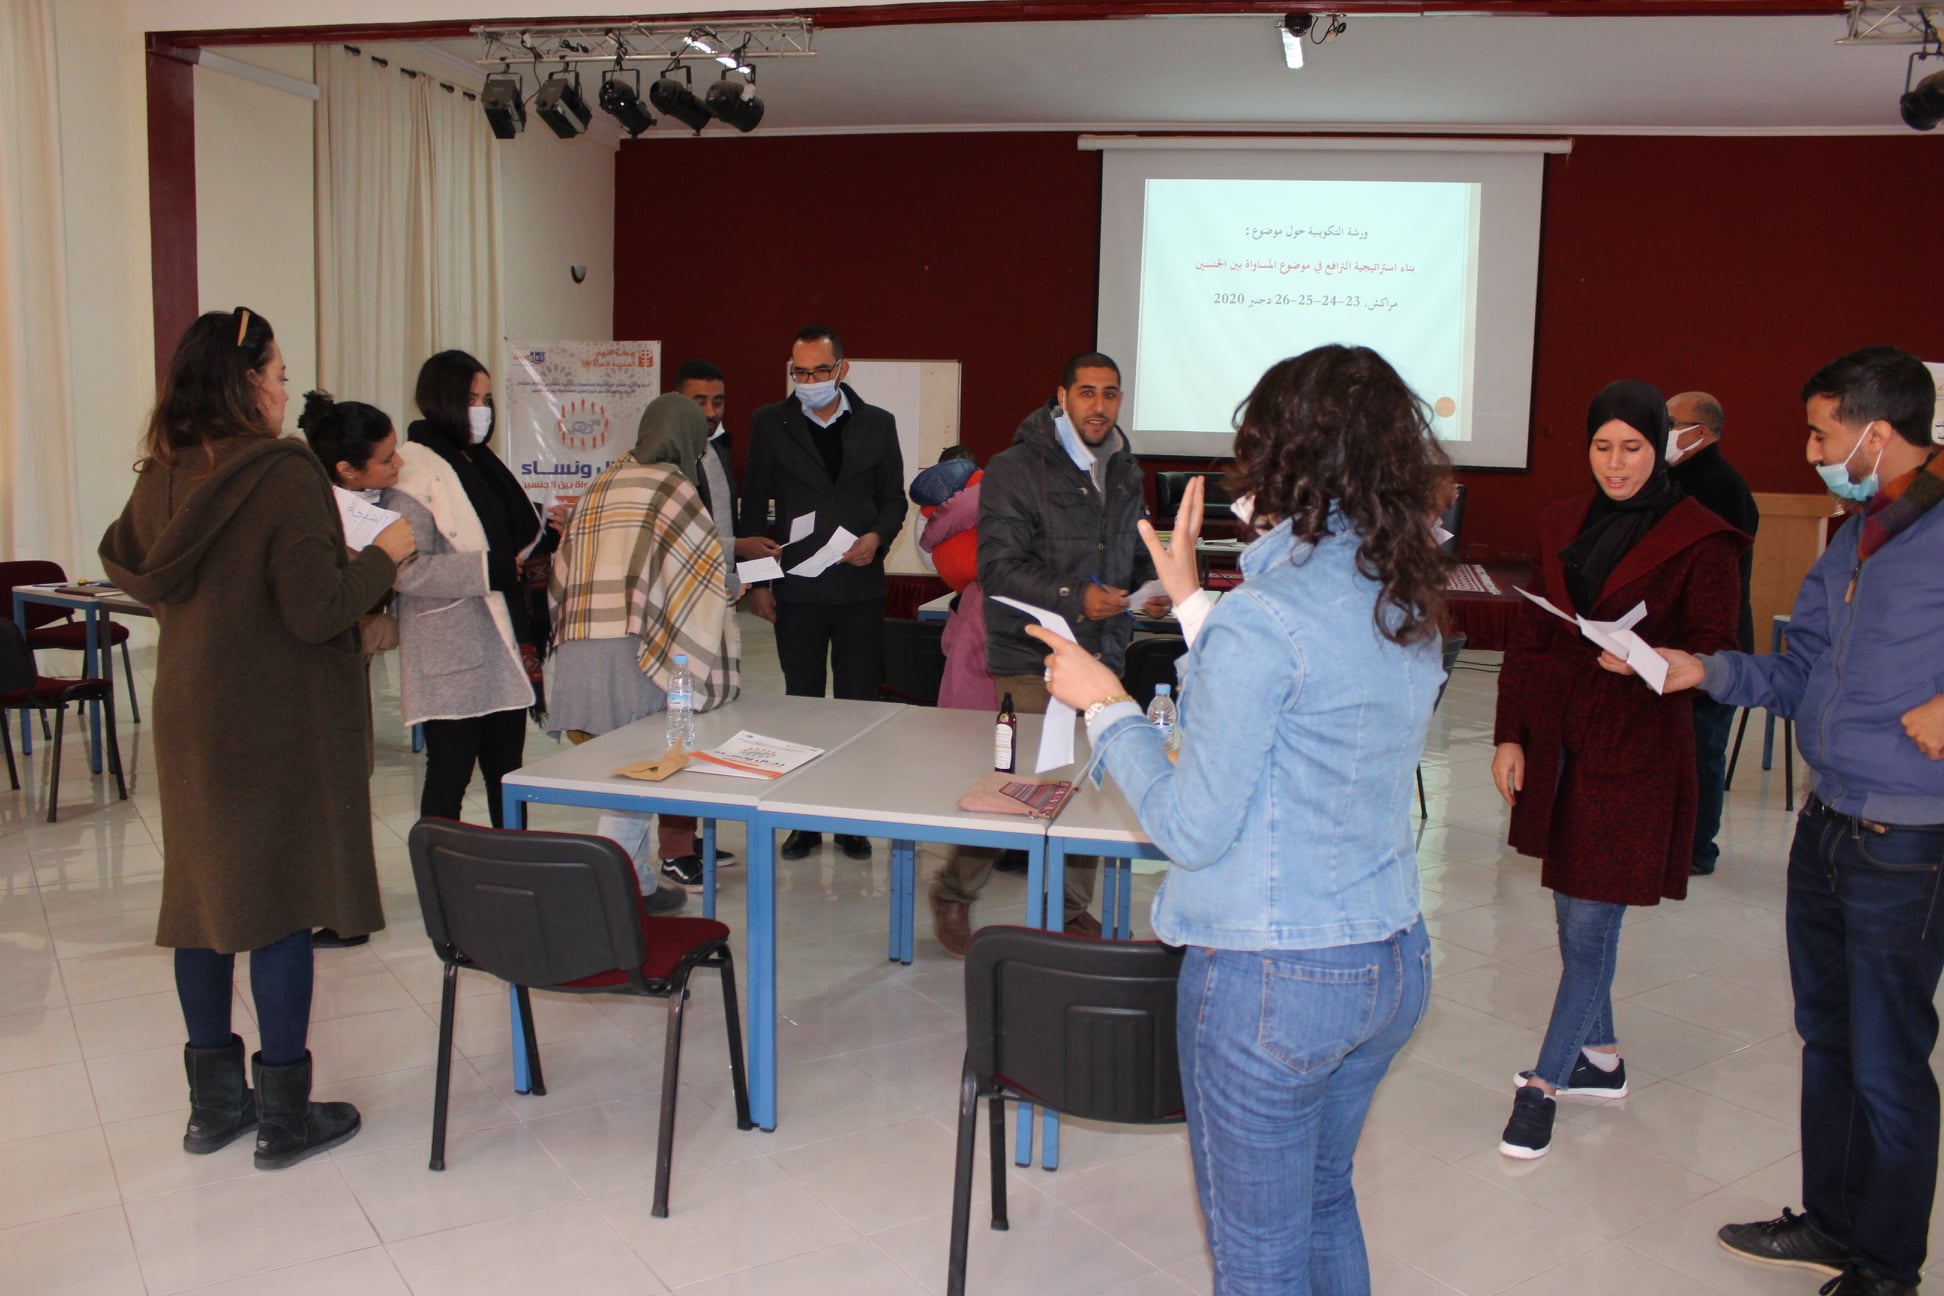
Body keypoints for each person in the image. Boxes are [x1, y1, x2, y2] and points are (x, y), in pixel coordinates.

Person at [1029, 345, 1447, 1295]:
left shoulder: (1265, 614)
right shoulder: (1400, 594)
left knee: (1258, 1260)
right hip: (1388, 959)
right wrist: (1187, 600)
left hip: (1273, 982)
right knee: (1325, 1203)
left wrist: (1108, 706)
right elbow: (1303, 704)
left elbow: (1191, 827)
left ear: (1286, 456)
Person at [1633, 348, 1944, 1296]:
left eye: (1821, 432)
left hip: (1907, 839)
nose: (1811, 451)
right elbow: (1799, 666)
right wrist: (1702, 669)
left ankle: (1888, 1271)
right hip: (1827, 826)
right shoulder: (1854, 539)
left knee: (1889, 1062)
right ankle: (1831, 1223)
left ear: (1876, 432)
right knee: (1829, 1039)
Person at [99, 307, 417, 1170]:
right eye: (276, 373)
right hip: (275, 712)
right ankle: (284, 1114)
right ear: (246, 380)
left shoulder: (163, 470)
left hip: (190, 710)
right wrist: (387, 551)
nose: (284, 388)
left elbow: (137, 566)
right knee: (281, 902)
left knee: (200, 904)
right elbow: (318, 609)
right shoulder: (279, 472)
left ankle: (214, 1109)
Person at [1491, 380, 1744, 1161]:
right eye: (1603, 446)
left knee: (1593, 921)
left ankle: (1544, 1086)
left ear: (1660, 447)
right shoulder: (1563, 522)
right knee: (1573, 911)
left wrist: (1647, 660)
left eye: (1633, 446)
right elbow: (1532, 639)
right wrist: (1510, 737)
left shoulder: (1704, 535)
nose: (1616, 462)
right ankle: (1601, 1057)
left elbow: (1714, 649)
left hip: (1638, 746)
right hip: (1565, 737)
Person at [928, 353, 1164, 956]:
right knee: (1018, 785)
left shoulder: (1124, 467)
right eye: (1087, 393)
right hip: (1030, 652)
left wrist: (1152, 587)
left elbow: (1133, 547)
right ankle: (954, 891)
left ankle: (1069, 909)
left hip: (1102, 652)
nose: (1099, 406)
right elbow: (998, 568)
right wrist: (1077, 598)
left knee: (1087, 782)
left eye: (1110, 394)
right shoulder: (1014, 468)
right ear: (1061, 396)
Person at [547, 393, 741, 899]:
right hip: (638, 654)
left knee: (619, 772)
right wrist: (731, 587)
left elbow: (560, 572)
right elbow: (701, 578)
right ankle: (617, 890)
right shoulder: (673, 486)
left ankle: (636, 882)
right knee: (638, 773)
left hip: (581, 649)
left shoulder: (602, 481)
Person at [738, 324, 906, 862]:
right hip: (798, 591)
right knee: (802, 707)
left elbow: (893, 501)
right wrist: (758, 585)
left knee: (857, 705)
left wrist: (878, 538)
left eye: (820, 371)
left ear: (842, 369)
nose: (810, 381)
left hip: (859, 588)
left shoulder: (879, 424)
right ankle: (803, 820)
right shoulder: (770, 422)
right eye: (800, 372)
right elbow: (752, 506)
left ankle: (850, 819)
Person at [392, 350, 555, 829]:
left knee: (508, 778)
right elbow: (406, 571)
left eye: (486, 398)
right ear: (439, 399)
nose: (481, 410)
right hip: (453, 655)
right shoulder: (413, 471)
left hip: (506, 649)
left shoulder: (484, 463)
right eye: (470, 398)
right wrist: (492, 569)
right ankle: (443, 882)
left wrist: (547, 539)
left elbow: (514, 541)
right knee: (448, 779)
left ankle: (513, 876)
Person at [295, 389, 408, 948]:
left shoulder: (374, 506)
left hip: (344, 661)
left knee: (345, 779)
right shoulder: (315, 513)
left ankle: (344, 912)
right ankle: (336, 908)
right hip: (317, 665)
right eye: (386, 459)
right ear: (346, 469)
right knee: (331, 781)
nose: (398, 466)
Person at [1664, 390, 1761, 876]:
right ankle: (1676, 840)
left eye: (1669, 422)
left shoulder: (1720, 488)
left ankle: (1698, 849)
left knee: (1702, 747)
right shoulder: (1678, 479)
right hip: (1684, 640)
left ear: (1699, 432)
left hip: (1712, 643)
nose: (1661, 430)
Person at [673, 357, 783, 604]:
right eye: (699, 402)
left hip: (723, 591)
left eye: (718, 402)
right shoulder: (668, 460)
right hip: (684, 593)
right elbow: (675, 536)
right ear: (676, 401)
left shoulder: (718, 450)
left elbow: (729, 523)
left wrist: (753, 581)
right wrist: (739, 546)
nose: (711, 412)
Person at [911, 446, 993, 711]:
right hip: (986, 594)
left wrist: (930, 539)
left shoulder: (929, 510)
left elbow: (928, 558)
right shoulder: (988, 487)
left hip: (970, 594)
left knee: (963, 677)